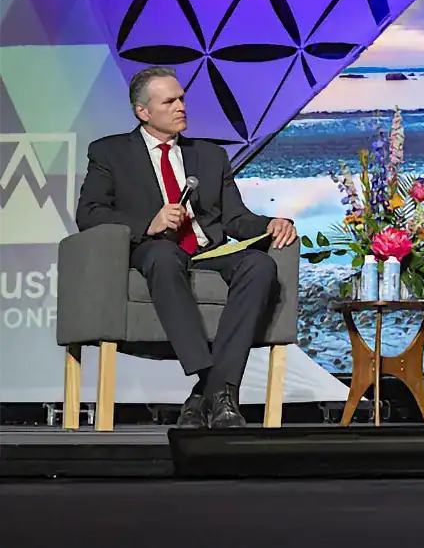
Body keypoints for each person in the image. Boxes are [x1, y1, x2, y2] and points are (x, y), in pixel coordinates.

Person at [76, 66, 297, 429]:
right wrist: (149, 222)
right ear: (143, 112)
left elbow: (236, 218)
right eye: (169, 101)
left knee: (260, 265)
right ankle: (215, 385)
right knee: (164, 257)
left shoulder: (209, 155)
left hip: (210, 252)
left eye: (181, 98)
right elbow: (89, 213)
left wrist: (271, 224)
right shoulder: (110, 153)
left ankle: (206, 393)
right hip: (156, 248)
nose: (181, 107)